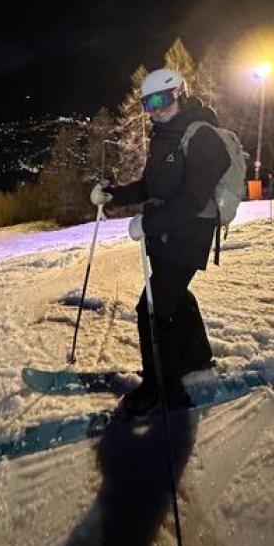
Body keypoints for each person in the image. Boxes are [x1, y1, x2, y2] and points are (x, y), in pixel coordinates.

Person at [90, 68, 230, 414]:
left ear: (180, 94)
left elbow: (193, 200)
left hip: (189, 235)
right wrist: (113, 195)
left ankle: (161, 387)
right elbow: (150, 186)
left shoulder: (202, 137)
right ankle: (195, 360)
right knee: (174, 297)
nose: (154, 109)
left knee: (152, 308)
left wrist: (147, 223)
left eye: (161, 100)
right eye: (148, 103)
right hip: (165, 237)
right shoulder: (163, 135)